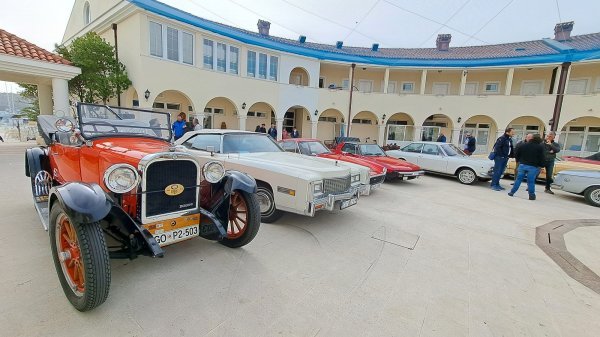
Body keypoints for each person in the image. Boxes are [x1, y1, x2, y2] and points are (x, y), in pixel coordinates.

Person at [508, 134, 546, 200]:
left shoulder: (523, 145)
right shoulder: (540, 147)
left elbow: (516, 154)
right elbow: (542, 157)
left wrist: (519, 160)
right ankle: (531, 195)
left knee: (518, 180)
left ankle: (512, 192)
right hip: (533, 166)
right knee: (531, 181)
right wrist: (541, 165)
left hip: (522, 165)